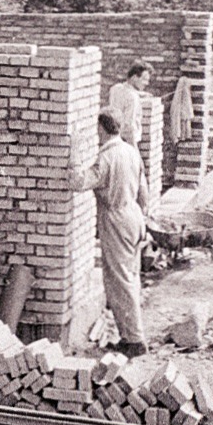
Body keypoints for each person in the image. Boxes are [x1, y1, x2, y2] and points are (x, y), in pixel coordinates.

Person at [70, 110, 150, 356]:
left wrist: (74, 151)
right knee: (130, 277)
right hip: (134, 215)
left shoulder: (107, 157)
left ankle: (134, 340)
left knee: (119, 281)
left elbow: (78, 182)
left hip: (117, 218)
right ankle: (131, 334)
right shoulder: (130, 151)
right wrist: (142, 220)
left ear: (102, 130)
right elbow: (144, 193)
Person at [107, 62, 152, 147]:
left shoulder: (115, 88)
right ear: (135, 77)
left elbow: (125, 91)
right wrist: (135, 152)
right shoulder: (133, 98)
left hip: (113, 141)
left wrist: (139, 93)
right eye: (144, 79)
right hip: (127, 143)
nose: (147, 83)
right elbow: (128, 128)